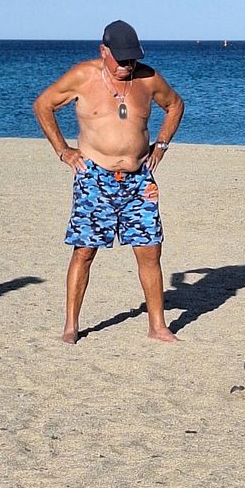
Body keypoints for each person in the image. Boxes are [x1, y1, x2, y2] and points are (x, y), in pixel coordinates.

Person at [33, 20, 184, 344]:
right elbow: (43, 105)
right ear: (104, 51)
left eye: (132, 59)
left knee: (150, 252)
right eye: (121, 59)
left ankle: (157, 326)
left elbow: (175, 105)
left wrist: (161, 145)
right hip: (94, 178)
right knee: (84, 251)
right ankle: (71, 326)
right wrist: (63, 151)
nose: (127, 66)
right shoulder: (83, 76)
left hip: (138, 180)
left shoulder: (148, 78)